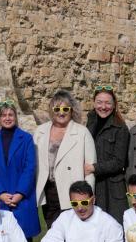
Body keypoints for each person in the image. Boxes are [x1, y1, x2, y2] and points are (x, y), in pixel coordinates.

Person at [33, 90, 96, 226]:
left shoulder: (82, 132)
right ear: (52, 110)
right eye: (57, 109)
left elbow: (90, 169)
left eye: (65, 109)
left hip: (74, 192)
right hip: (48, 191)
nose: (61, 113)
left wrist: (87, 196)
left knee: (75, 230)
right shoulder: (40, 132)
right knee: (53, 230)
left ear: (71, 110)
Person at [0, 99, 39, 242]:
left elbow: (29, 168)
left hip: (22, 197)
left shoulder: (26, 139)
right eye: (4, 115)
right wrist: (1, 193)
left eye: (10, 115)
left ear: (15, 116)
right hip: (2, 199)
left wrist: (20, 193)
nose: (7, 118)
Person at [86, 86, 130, 222]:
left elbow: (119, 162)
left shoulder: (120, 128)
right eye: (99, 102)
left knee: (115, 226)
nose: (103, 107)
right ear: (94, 103)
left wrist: (93, 168)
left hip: (112, 188)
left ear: (114, 105)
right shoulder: (90, 123)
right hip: (93, 183)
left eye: (108, 103)